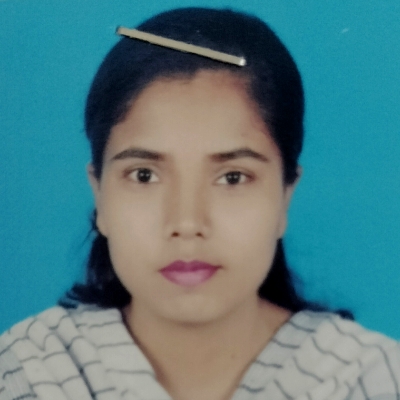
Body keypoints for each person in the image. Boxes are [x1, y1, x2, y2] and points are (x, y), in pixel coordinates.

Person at [0, 7, 399, 400]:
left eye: (232, 177)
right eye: (144, 175)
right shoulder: (25, 373)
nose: (187, 222)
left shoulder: (371, 379)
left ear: (285, 195)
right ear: (99, 195)